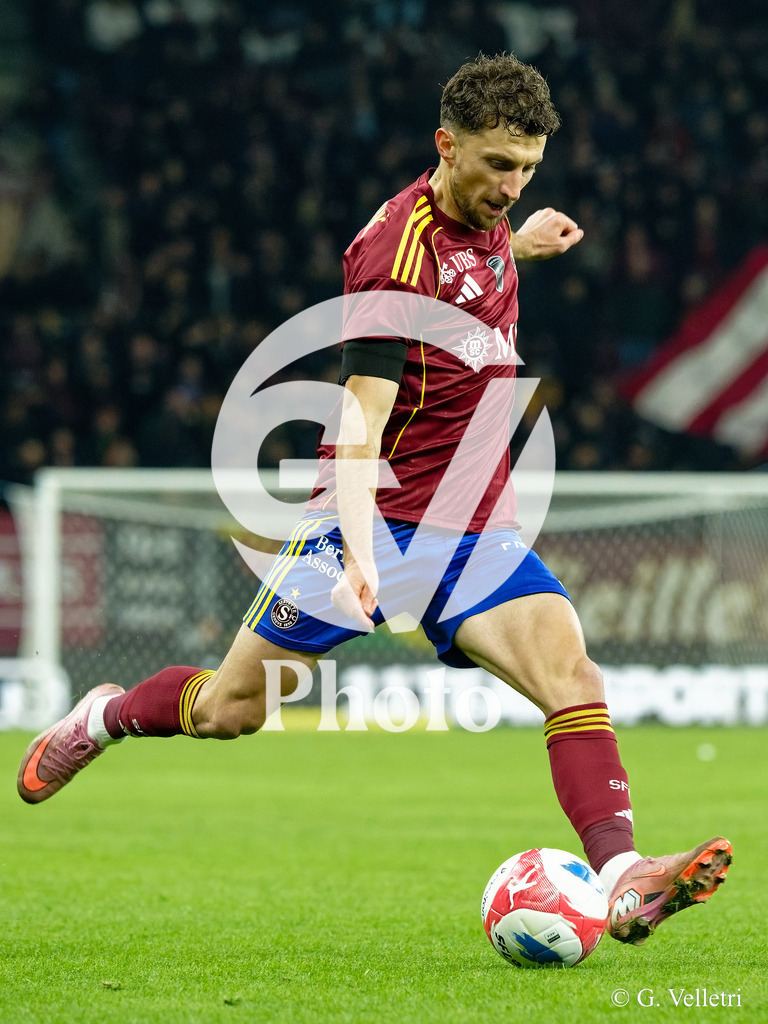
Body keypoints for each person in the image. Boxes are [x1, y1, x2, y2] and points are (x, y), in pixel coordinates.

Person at [18, 53, 731, 947]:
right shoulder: (392, 262)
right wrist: (360, 554)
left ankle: (625, 876)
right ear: (445, 145)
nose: (511, 187)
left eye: (527, 170)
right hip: (376, 521)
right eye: (497, 167)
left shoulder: (484, 225)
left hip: (473, 527)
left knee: (573, 678)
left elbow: (467, 281)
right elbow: (357, 429)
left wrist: (522, 246)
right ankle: (107, 714)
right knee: (231, 710)